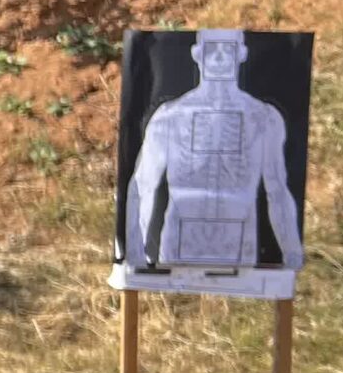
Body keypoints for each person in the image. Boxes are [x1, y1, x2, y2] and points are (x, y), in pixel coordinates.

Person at [122, 27, 304, 276]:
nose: (219, 58)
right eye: (212, 50)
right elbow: (143, 184)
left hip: (239, 249)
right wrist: (134, 251)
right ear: (198, 55)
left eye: (227, 50)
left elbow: (278, 191)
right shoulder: (170, 116)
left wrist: (292, 253)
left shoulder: (262, 118)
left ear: (240, 54)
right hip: (178, 244)